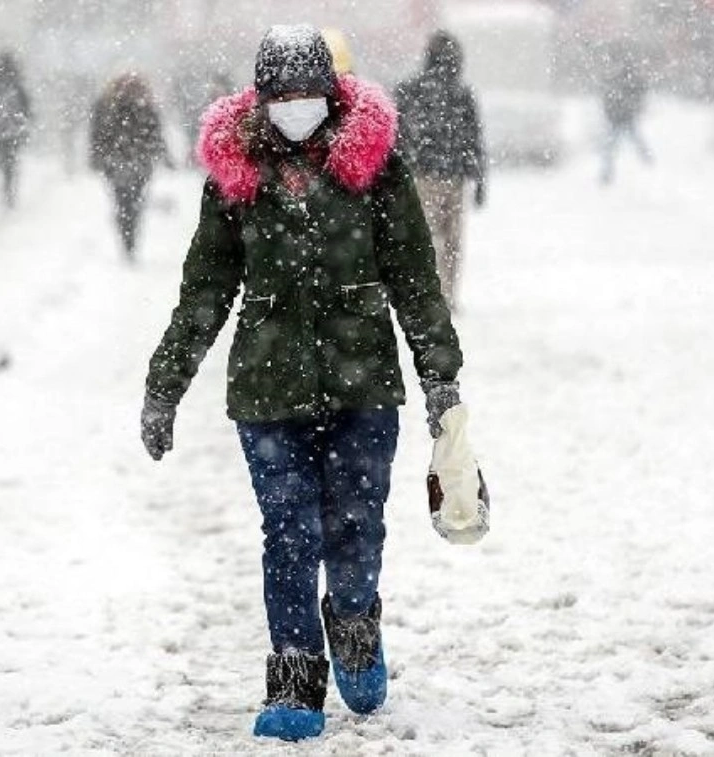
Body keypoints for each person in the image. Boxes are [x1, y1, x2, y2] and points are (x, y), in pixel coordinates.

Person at [140, 25, 465, 741]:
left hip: (364, 385)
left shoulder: (377, 169)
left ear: (331, 93)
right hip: (267, 388)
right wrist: (165, 384)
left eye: (307, 93)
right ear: (262, 99)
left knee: (355, 523)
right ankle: (292, 676)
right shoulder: (237, 178)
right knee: (288, 530)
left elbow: (416, 281)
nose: (295, 105)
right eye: (281, 94)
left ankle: (353, 621)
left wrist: (441, 380)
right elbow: (204, 288)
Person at [394, 31, 487, 311]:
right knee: (452, 243)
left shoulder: (410, 90)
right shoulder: (462, 94)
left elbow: (397, 138)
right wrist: (479, 178)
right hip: (454, 178)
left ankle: (427, 295)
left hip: (421, 176)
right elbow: (474, 139)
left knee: (425, 240)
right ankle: (446, 296)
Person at [89, 74, 169, 262]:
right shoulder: (144, 104)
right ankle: (129, 237)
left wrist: (97, 156)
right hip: (137, 162)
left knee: (123, 202)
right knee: (133, 203)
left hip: (117, 162)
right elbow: (155, 133)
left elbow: (97, 134)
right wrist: (162, 154)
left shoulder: (106, 105)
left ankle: (127, 237)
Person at [0, 51, 33, 209]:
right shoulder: (16, 82)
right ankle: (9, 188)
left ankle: (5, 188)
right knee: (11, 162)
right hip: (13, 131)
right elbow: (26, 105)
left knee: (2, 161)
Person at [600, 57, 652, 184]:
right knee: (633, 141)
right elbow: (641, 91)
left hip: (619, 118)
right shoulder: (630, 83)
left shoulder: (617, 82)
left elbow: (607, 99)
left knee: (611, 146)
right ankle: (647, 159)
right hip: (623, 117)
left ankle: (607, 172)